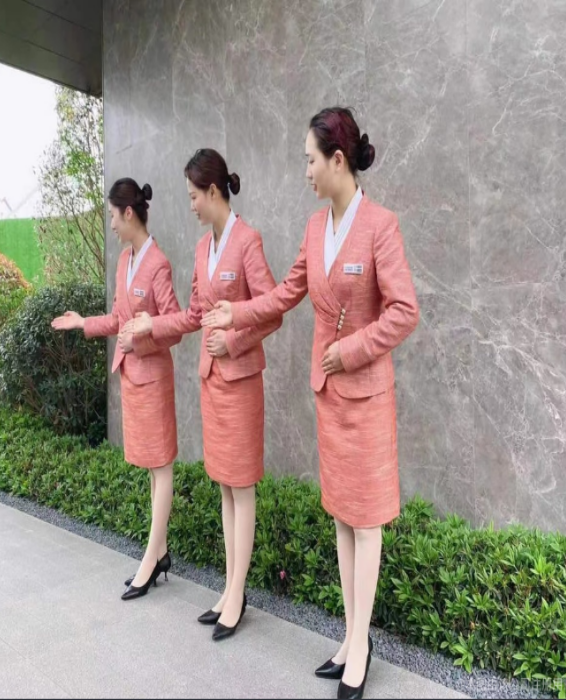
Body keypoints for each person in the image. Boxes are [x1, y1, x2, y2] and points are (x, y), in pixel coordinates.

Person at [202, 108, 420, 698]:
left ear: (337, 161)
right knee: (343, 518)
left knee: (366, 523)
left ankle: (361, 646)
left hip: (366, 399)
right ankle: (350, 639)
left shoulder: (381, 226)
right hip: (330, 398)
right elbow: (283, 295)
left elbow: (405, 311)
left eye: (309, 159)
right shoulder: (314, 227)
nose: (305, 171)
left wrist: (351, 350)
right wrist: (235, 312)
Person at [130, 149, 281, 641]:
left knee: (242, 486)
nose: (191, 204)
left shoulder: (248, 241)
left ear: (213, 191)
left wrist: (233, 341)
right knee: (224, 486)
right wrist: (153, 324)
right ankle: (230, 588)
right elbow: (194, 315)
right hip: (212, 383)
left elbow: (272, 311)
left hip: (241, 382)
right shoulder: (202, 249)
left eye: (194, 196)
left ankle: (237, 593)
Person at [52, 177, 182, 601]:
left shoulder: (158, 264)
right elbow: (117, 319)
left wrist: (139, 338)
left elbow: (174, 325)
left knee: (162, 468)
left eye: (112, 215)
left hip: (154, 379)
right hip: (133, 380)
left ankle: (150, 560)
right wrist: (83, 323)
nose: (110, 224)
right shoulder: (125, 261)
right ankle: (160, 552)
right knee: (151, 468)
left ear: (129, 213)